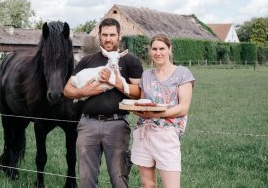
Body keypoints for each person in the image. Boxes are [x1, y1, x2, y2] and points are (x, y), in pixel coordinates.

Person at [64, 18, 143, 188]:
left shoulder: (130, 61)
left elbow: (139, 93)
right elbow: (67, 90)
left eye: (112, 35)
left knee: (119, 178)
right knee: (86, 180)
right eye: (104, 35)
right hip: (87, 124)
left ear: (119, 36)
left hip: (116, 124)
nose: (108, 39)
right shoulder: (87, 61)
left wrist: (114, 81)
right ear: (99, 36)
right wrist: (83, 92)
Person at [130, 33, 195, 188]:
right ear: (150, 51)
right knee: (147, 184)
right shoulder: (146, 75)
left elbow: (183, 107)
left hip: (167, 135)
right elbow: (142, 103)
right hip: (144, 133)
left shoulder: (182, 73)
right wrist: (134, 108)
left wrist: (158, 114)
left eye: (162, 48)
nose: (158, 52)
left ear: (169, 49)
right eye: (154, 49)